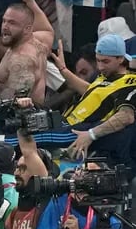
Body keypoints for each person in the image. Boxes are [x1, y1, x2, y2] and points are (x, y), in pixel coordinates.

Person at [29, 34, 136, 165]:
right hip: (65, 122)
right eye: (98, 61)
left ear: (120, 58)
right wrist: (63, 69)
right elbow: (91, 91)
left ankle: (1, 142)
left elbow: (126, 116)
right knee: (28, 122)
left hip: (80, 131)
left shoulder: (130, 82)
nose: (101, 67)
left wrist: (91, 134)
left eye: (105, 62)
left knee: (27, 138)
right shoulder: (104, 76)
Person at [0, 0, 55, 106]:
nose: (5, 26)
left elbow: (18, 103)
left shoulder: (21, 60)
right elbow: (48, 31)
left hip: (21, 121)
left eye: (12, 23)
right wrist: (30, 0)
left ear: (27, 29)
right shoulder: (38, 41)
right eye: (4, 21)